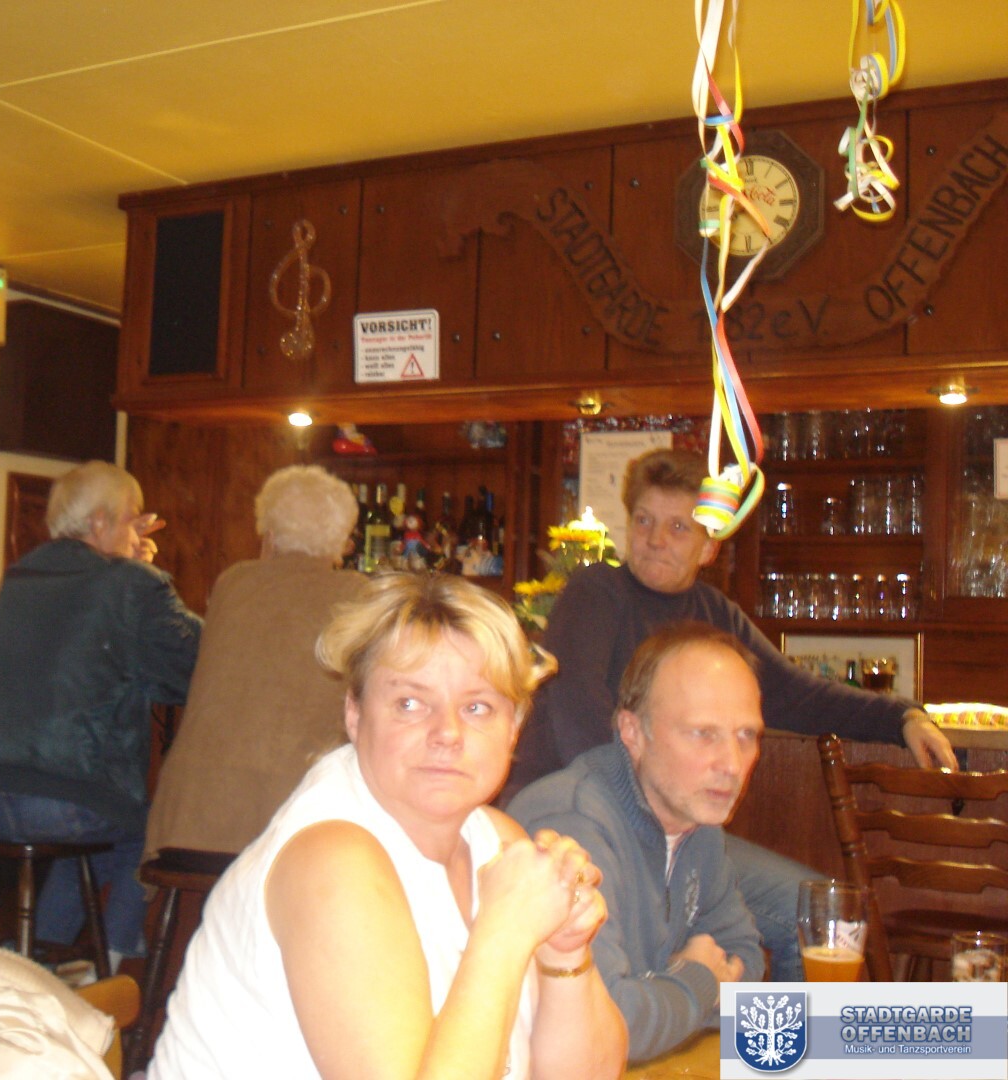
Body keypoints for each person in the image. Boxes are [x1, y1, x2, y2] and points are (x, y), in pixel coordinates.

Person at [150, 573, 626, 1080]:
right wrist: (504, 931)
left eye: (477, 707)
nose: (447, 733)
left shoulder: (498, 841)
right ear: (354, 714)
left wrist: (564, 953)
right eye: (410, 704)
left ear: (513, 727)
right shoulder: (333, 863)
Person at [504, 447, 956, 979]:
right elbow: (577, 712)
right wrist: (643, 829)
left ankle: (778, 1038)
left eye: (677, 527)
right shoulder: (595, 593)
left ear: (708, 547)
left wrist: (901, 718)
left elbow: (798, 694)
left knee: (814, 915)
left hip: (671, 834)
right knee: (636, 975)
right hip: (573, 830)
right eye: (644, 520)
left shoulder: (715, 614)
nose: (655, 538)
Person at [0, 461, 202, 971]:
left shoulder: (21, 575)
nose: (140, 534)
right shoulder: (129, 584)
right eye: (133, 520)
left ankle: (38, 963)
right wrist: (140, 571)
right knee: (150, 830)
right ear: (99, 521)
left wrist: (131, 566)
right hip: (63, 803)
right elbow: (195, 664)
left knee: (95, 831)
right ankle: (108, 963)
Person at [509, 624, 767, 1064]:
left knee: (885, 1050)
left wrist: (667, 1001)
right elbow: (605, 1026)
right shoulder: (572, 825)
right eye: (703, 733)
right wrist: (699, 981)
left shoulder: (696, 819)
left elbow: (745, 959)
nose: (731, 764)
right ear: (632, 732)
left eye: (747, 735)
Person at [143, 465, 367, 861]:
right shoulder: (357, 594)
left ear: (269, 532)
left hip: (189, 816)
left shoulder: (232, 582)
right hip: (292, 820)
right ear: (342, 538)